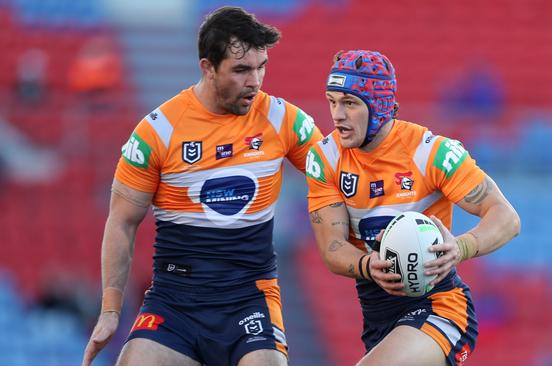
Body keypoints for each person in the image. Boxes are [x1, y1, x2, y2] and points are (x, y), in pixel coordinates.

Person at [82, 6, 322, 366]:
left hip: (249, 298)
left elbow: (337, 175)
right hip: (175, 302)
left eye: (261, 67)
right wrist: (111, 309)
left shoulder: (281, 118)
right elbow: (121, 221)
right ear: (208, 67)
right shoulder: (158, 131)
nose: (254, 81)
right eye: (241, 70)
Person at [306, 50, 520, 366]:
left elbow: (506, 217)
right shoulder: (325, 159)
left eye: (349, 103)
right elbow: (333, 248)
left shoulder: (430, 153)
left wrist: (460, 247)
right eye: (332, 101)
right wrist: (368, 265)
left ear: (377, 105)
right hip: (378, 319)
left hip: (440, 307)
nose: (337, 114)